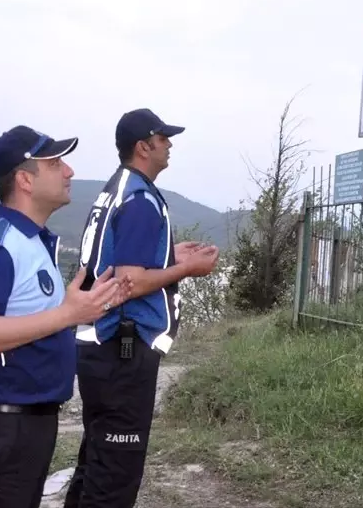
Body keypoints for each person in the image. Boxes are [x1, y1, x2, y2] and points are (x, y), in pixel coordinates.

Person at [0, 125, 131, 508]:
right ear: (25, 180)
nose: (70, 171)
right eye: (56, 163)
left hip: (25, 429)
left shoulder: (31, 242)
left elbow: (41, 319)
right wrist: (66, 315)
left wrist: (82, 309)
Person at [66, 108, 219, 508]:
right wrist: (187, 267)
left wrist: (170, 254)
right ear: (143, 146)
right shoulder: (140, 200)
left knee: (97, 462)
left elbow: (122, 261)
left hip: (103, 348)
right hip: (122, 349)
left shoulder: (118, 189)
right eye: (163, 137)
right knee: (114, 477)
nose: (170, 145)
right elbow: (128, 283)